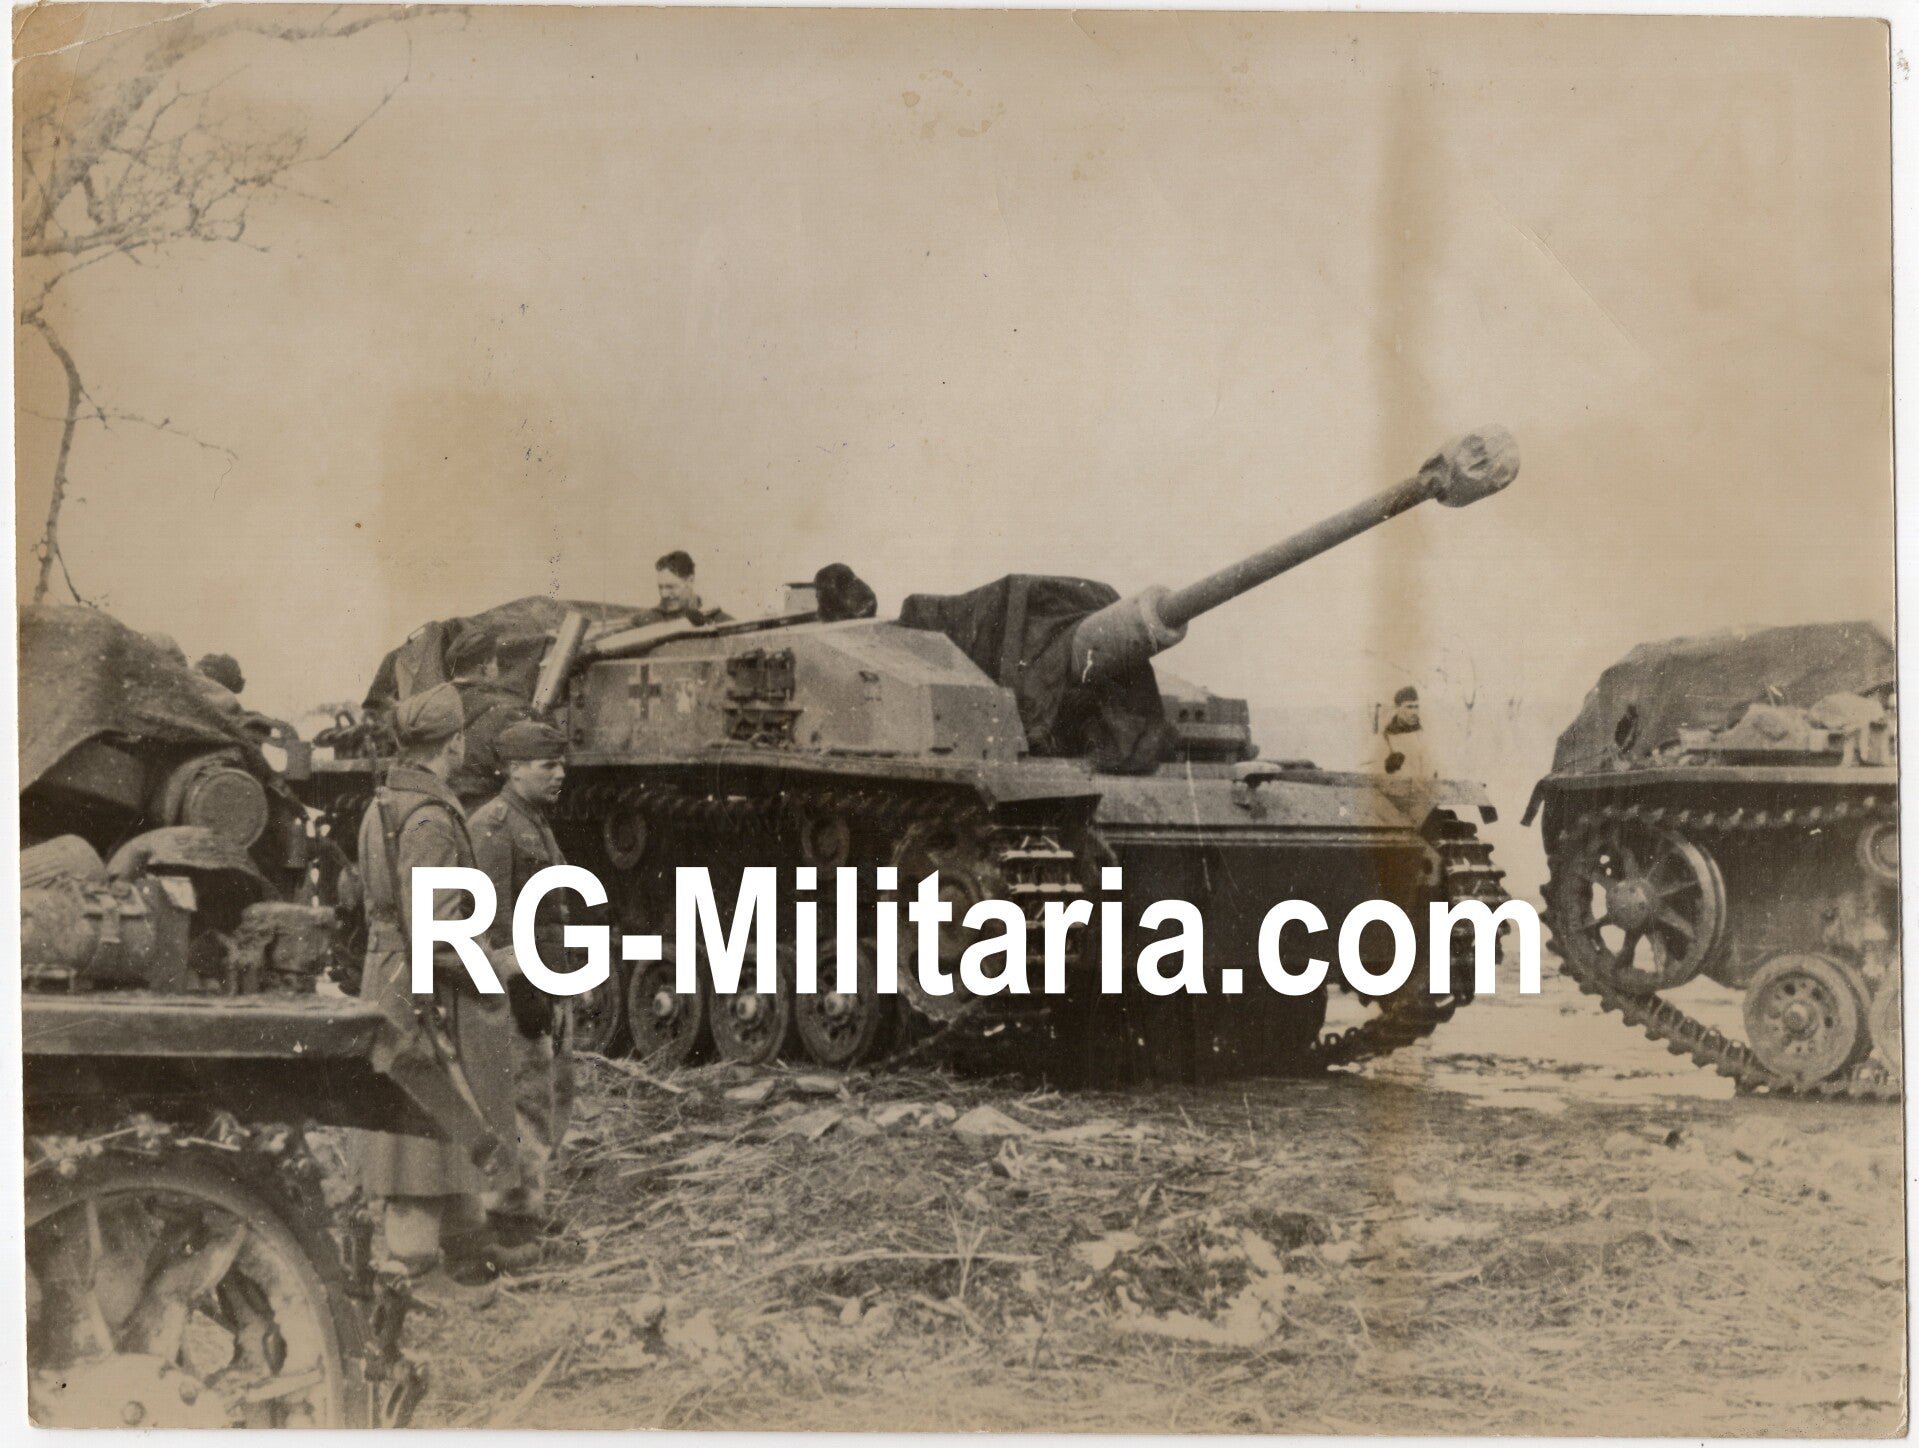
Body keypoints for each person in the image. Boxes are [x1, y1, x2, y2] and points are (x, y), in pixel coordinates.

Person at [350, 683, 524, 1304]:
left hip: (397, 976)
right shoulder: (428, 816)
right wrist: (495, 965)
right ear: (452, 744)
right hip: (421, 984)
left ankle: (464, 1254)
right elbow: (438, 928)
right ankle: (417, 1274)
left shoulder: (387, 802)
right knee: (419, 1131)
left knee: (441, 1120)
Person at [468, 720, 576, 1258]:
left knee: (547, 1095)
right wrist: (522, 987)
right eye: (546, 764)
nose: (560, 773)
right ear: (512, 769)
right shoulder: (494, 825)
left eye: (560, 763)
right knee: (520, 1099)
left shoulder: (533, 821)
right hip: (516, 987)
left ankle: (528, 1204)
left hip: (545, 980)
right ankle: (507, 1218)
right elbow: (490, 917)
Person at [445, 627, 530, 810]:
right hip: (485, 811)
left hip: (441, 808)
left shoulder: (432, 704)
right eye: (496, 662)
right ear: (485, 665)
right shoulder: (504, 711)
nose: (497, 668)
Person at [635, 550, 732, 627]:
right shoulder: (644, 622)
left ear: (690, 581)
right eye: (660, 587)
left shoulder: (723, 623)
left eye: (670, 587)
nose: (664, 594)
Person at [1373, 685, 1434, 777]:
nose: (1414, 712)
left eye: (1416, 707)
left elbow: (1432, 771)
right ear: (1397, 708)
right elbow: (1372, 770)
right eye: (1409, 707)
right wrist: (1387, 767)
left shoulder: (1423, 736)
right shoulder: (1386, 737)